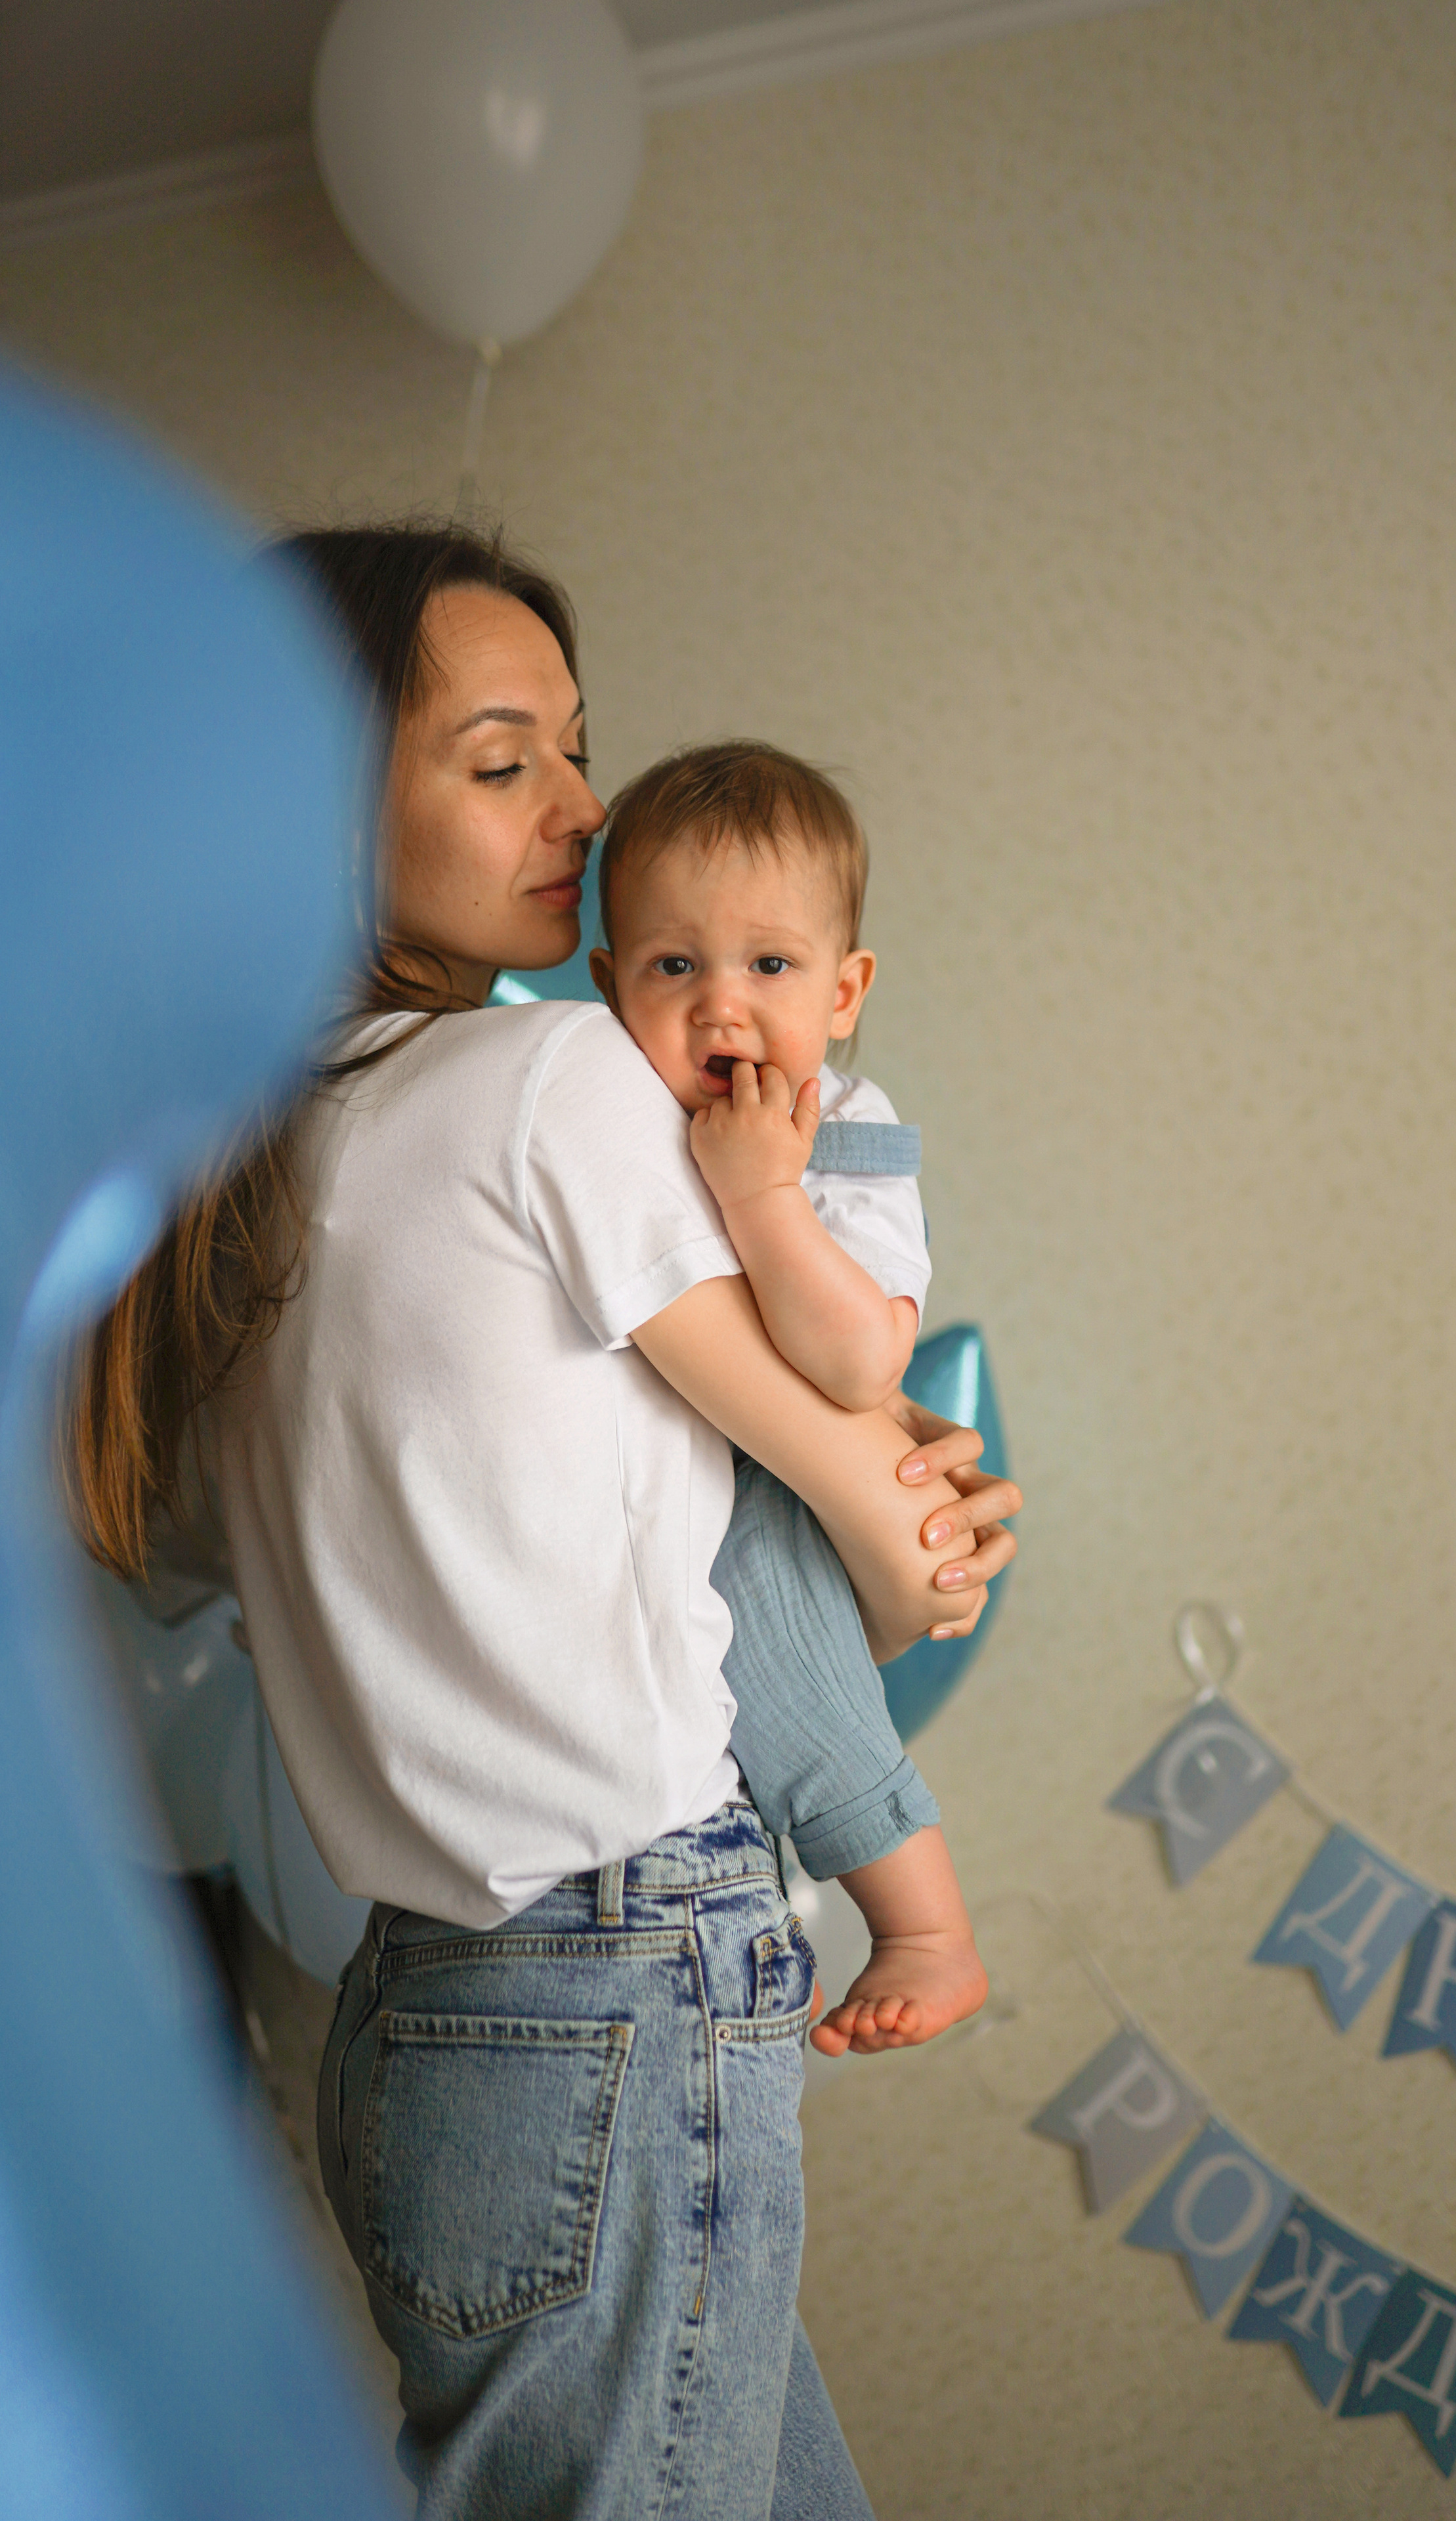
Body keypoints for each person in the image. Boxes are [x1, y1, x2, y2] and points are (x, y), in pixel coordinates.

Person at [64, 521, 1020, 2521]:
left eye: (577, 748)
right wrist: (917, 1509)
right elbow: (874, 1532)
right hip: (617, 1969)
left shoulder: (230, 1181)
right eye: (505, 762)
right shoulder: (552, 1077)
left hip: (420, 2021)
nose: (587, 809)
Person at [591, 739, 988, 2057]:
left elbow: (861, 1366)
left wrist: (763, 1193)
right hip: (655, 1490)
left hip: (778, 1487)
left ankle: (926, 1924)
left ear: (844, 990)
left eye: (769, 966)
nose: (722, 1007)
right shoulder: (605, 1112)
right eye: (673, 967)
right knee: (729, 1711)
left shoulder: (844, 1134)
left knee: (779, 1651)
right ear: (607, 983)